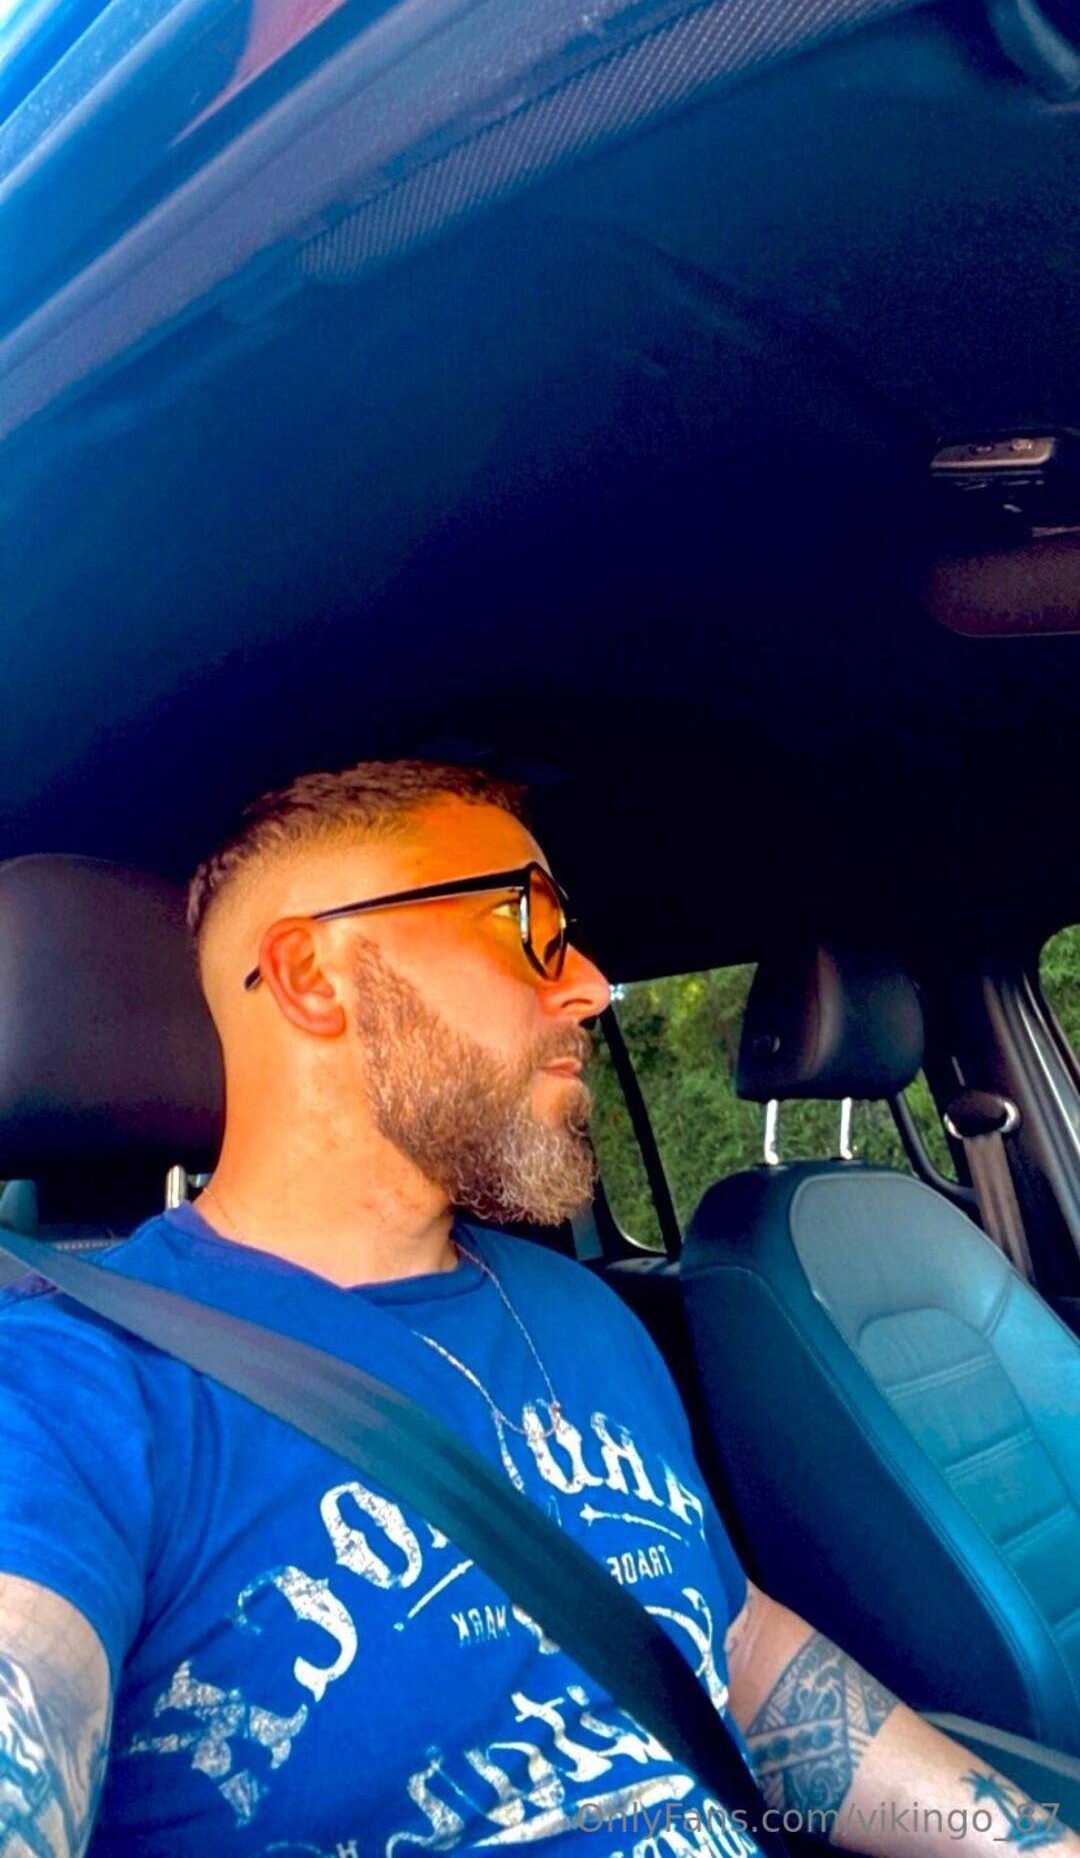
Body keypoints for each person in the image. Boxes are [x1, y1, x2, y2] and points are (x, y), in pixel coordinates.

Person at [0, 758, 1072, 1858]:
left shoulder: (578, 1310)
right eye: (531, 928)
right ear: (313, 978)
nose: (594, 987)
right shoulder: (65, 1392)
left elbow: (736, 1643)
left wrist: (1030, 1844)